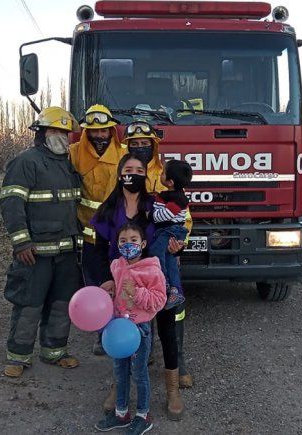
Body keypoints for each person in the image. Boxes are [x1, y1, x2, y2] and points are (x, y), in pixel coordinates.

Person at [91, 154, 186, 420]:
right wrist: (105, 279)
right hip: (122, 281)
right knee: (123, 330)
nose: (133, 173)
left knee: (167, 329)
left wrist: (178, 250)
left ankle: (172, 390)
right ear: (120, 173)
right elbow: (95, 250)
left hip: (157, 278)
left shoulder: (156, 203)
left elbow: (176, 233)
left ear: (146, 174)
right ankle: (117, 388)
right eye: (128, 169)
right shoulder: (108, 209)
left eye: (139, 169)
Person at [0, 106, 83, 378]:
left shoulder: (69, 164)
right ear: (41, 132)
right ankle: (18, 356)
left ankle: (54, 351)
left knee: (62, 303)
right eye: (55, 130)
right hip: (35, 253)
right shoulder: (27, 162)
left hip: (68, 250)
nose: (61, 136)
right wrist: (21, 242)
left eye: (65, 132)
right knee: (29, 303)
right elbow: (12, 203)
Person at [122, 122, 195, 389]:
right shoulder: (126, 170)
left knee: (172, 313)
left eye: (145, 143)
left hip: (165, 251)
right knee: (140, 307)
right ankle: (144, 357)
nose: (139, 148)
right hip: (134, 256)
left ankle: (179, 365)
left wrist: (179, 244)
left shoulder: (165, 172)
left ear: (154, 145)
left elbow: (183, 218)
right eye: (134, 143)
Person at [94, 223, 167, 434]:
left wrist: (136, 292)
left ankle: (144, 415)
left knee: (139, 374)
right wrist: (109, 293)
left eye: (133, 240)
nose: (128, 245)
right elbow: (116, 293)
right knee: (120, 372)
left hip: (139, 330)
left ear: (143, 244)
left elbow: (159, 301)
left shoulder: (152, 270)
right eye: (123, 241)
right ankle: (121, 413)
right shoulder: (116, 266)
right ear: (117, 244)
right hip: (118, 329)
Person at [69, 104, 126, 356]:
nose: (100, 136)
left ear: (112, 130)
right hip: (89, 236)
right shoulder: (73, 154)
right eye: (94, 131)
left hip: (119, 236)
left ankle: (125, 330)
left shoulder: (125, 154)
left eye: (104, 131)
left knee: (122, 283)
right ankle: (102, 333)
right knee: (95, 285)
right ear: (86, 132)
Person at [150, 160, 193, 309]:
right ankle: (175, 290)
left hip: (170, 230)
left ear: (170, 182)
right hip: (171, 230)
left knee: (155, 252)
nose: (160, 175)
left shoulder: (178, 198)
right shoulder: (174, 194)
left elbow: (165, 214)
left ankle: (164, 282)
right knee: (171, 261)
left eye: (163, 173)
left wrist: (150, 215)